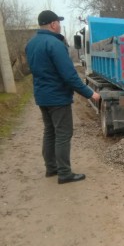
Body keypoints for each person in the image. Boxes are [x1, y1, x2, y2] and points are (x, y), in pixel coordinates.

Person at [25, 10, 100, 184]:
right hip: (57, 98)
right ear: (52, 24)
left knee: (50, 132)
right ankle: (65, 173)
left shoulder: (31, 44)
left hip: (42, 96)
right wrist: (91, 93)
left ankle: (51, 168)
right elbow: (69, 76)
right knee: (63, 134)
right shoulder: (55, 44)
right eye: (58, 22)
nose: (59, 25)